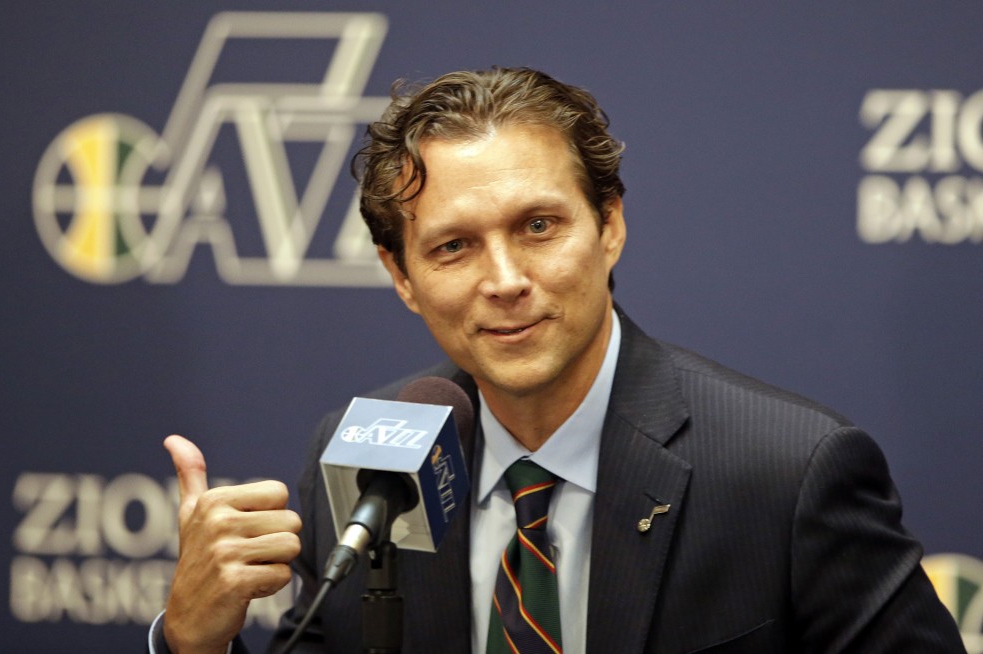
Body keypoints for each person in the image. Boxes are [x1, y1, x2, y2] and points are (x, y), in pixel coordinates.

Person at [151, 67, 965, 653]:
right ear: (401, 275)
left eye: (539, 226)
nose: (505, 282)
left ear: (609, 226)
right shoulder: (370, 456)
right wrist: (192, 643)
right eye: (454, 247)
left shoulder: (788, 473)